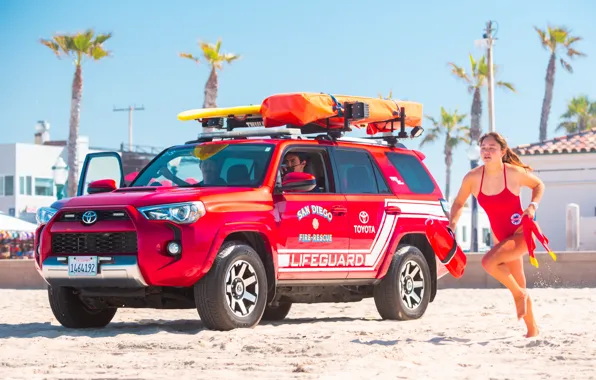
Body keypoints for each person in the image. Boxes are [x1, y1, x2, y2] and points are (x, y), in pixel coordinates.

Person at [449, 132, 545, 338]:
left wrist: (532, 207)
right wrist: (452, 225)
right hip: (501, 238)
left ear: (503, 151)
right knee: (518, 280)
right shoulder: (473, 178)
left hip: (521, 234)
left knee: (489, 263)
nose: (486, 151)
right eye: (483, 148)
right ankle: (532, 330)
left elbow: (539, 185)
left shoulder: (513, 173)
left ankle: (519, 294)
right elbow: (458, 203)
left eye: (492, 148)